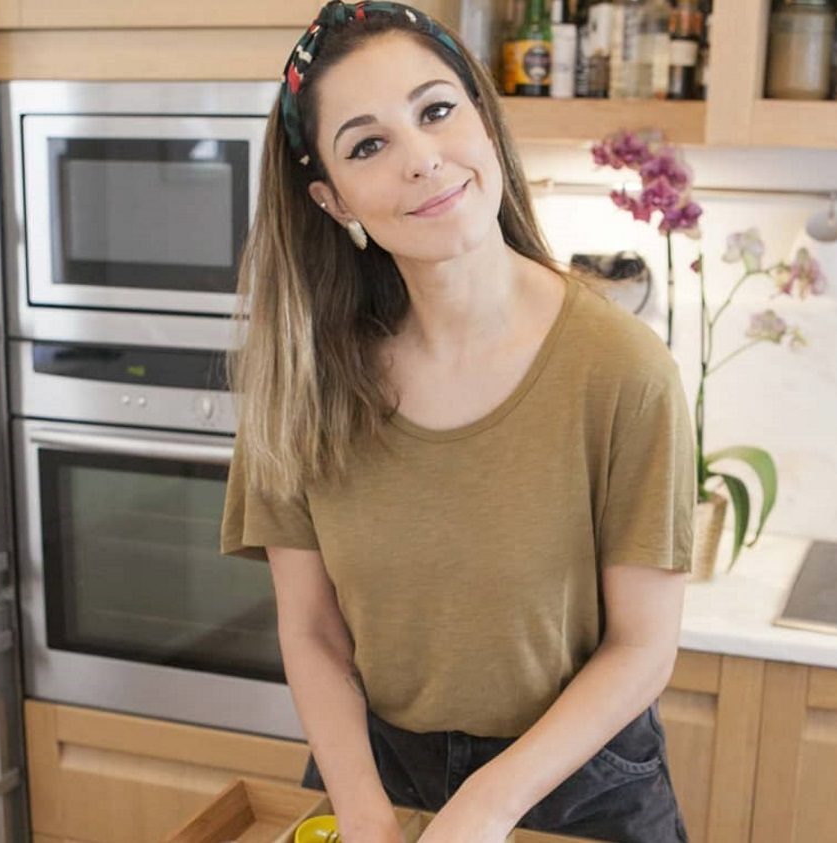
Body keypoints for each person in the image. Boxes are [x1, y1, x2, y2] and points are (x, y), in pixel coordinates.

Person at [219, 2, 696, 841]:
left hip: (579, 787)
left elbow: (641, 647)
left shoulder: (624, 371)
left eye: (436, 110)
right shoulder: (299, 383)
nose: (422, 158)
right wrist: (366, 813)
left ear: (484, 117)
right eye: (368, 145)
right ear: (332, 199)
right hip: (375, 772)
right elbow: (313, 630)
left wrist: (484, 804)